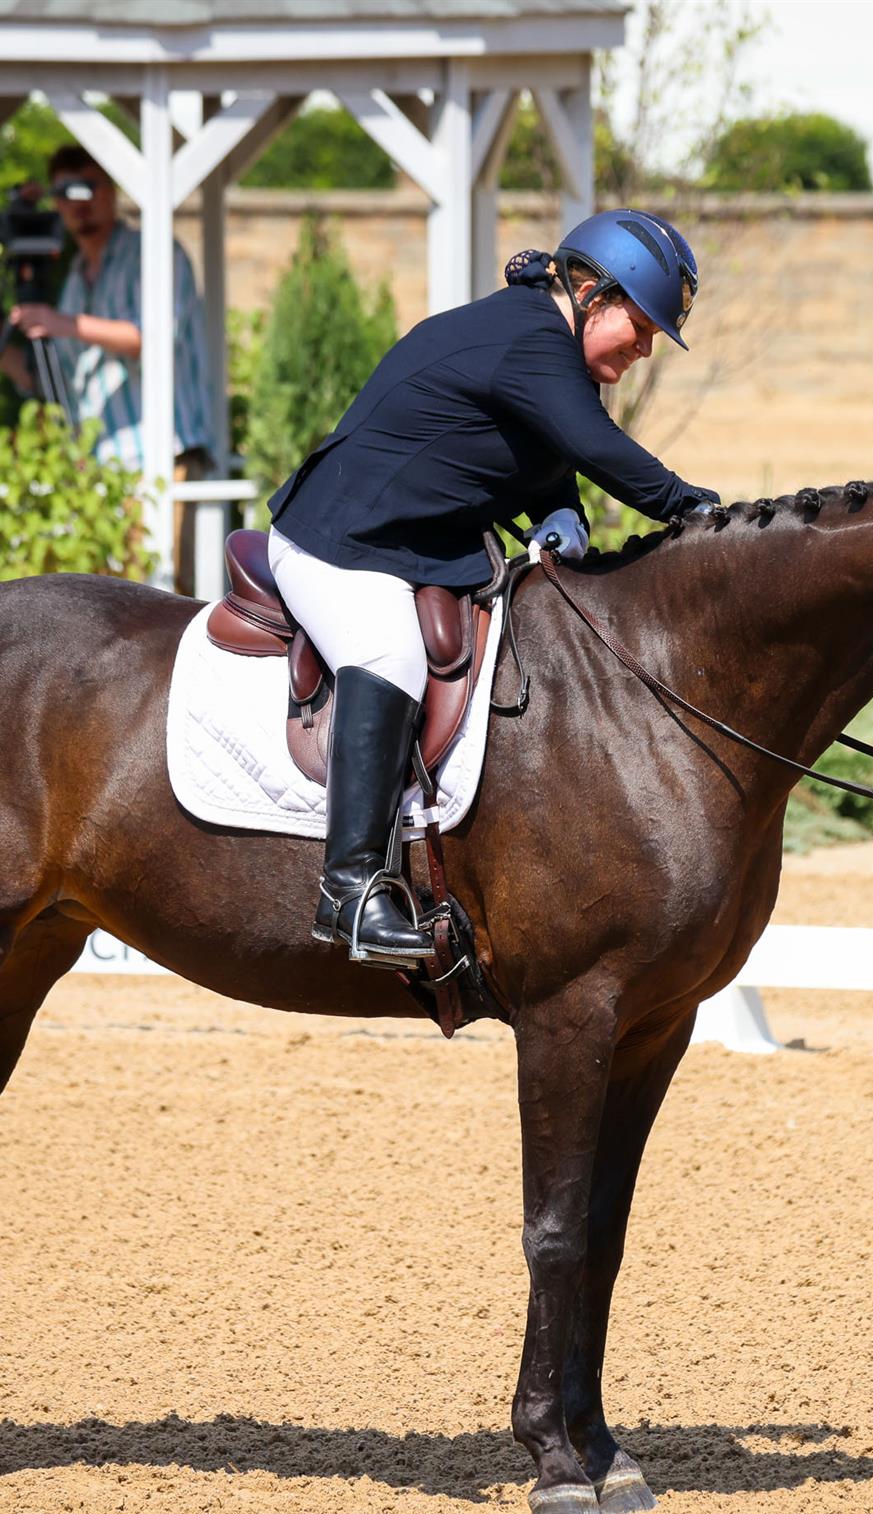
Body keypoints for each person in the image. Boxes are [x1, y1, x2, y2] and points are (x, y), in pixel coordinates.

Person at [265, 208, 721, 968]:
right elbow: (598, 447)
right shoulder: (529, 341)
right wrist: (693, 507)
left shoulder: (543, 346)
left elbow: (550, 457)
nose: (644, 349)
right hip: (338, 546)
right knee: (389, 654)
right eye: (640, 328)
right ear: (592, 293)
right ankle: (348, 891)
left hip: (409, 549)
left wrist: (562, 514)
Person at [0, 144, 214, 592]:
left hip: (161, 463)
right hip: (100, 472)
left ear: (113, 188)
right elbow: (53, 383)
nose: (77, 203)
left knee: (166, 600)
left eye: (88, 187)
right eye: (64, 191)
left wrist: (65, 324)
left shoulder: (155, 253)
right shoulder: (74, 277)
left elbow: (153, 340)